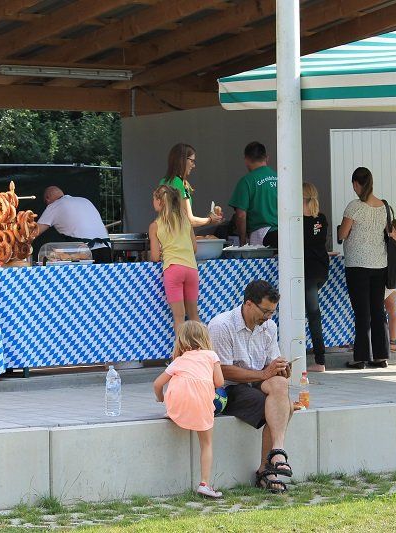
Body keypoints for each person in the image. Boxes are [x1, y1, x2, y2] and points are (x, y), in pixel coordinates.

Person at [207, 280, 293, 494]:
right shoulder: (221, 325)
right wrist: (264, 374)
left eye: (272, 312)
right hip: (227, 388)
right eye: (265, 311)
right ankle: (266, 471)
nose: (269, 317)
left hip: (255, 381)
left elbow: (270, 365)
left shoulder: (269, 326)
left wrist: (281, 369)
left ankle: (277, 451)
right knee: (283, 407)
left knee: (281, 384)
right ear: (248, 304)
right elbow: (222, 371)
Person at [153, 321, 225, 498]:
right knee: (206, 444)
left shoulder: (179, 361)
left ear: (181, 340)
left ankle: (173, 412)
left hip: (177, 405)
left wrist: (161, 398)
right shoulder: (211, 356)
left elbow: (157, 384)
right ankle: (204, 484)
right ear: (205, 338)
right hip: (202, 405)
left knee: (178, 386)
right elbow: (219, 382)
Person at [337, 167, 390, 369]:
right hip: (379, 263)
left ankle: (361, 357)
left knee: (362, 312)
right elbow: (388, 232)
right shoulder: (383, 206)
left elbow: (342, 234)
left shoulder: (354, 207)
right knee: (378, 310)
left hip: (357, 265)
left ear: (356, 184)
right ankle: (380, 355)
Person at [149, 185, 199, 335]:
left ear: (159, 201)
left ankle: (181, 349)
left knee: (179, 317)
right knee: (194, 315)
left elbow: (155, 257)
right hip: (191, 269)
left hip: (173, 270)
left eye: (153, 199)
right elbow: (194, 248)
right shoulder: (185, 220)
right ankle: (203, 347)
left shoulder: (155, 226)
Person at [34, 186, 112, 263]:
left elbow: (35, 232)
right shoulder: (85, 200)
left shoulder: (55, 205)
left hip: (84, 251)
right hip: (106, 247)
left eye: (46, 203)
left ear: (47, 198)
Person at [160, 143, 223, 228]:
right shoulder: (181, 184)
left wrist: (210, 219)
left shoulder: (164, 181)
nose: (194, 165)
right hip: (179, 236)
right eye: (192, 161)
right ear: (182, 160)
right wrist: (210, 219)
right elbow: (190, 221)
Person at [302, 182, 330, 372]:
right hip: (321, 270)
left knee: (313, 315)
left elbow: (271, 238)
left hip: (308, 272)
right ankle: (317, 358)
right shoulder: (321, 218)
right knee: (311, 313)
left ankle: (320, 361)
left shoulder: (298, 221)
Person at [229, 142, 278, 247]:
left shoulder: (246, 181)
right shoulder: (280, 178)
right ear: (267, 158)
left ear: (246, 160)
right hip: (285, 233)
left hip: (262, 234)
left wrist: (242, 242)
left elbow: (241, 215)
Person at [385, 219, 396, 353]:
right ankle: (393, 341)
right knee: (391, 309)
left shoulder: (390, 227)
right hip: (391, 275)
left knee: (390, 309)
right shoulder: (393, 226)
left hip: (386, 273)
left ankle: (392, 341)